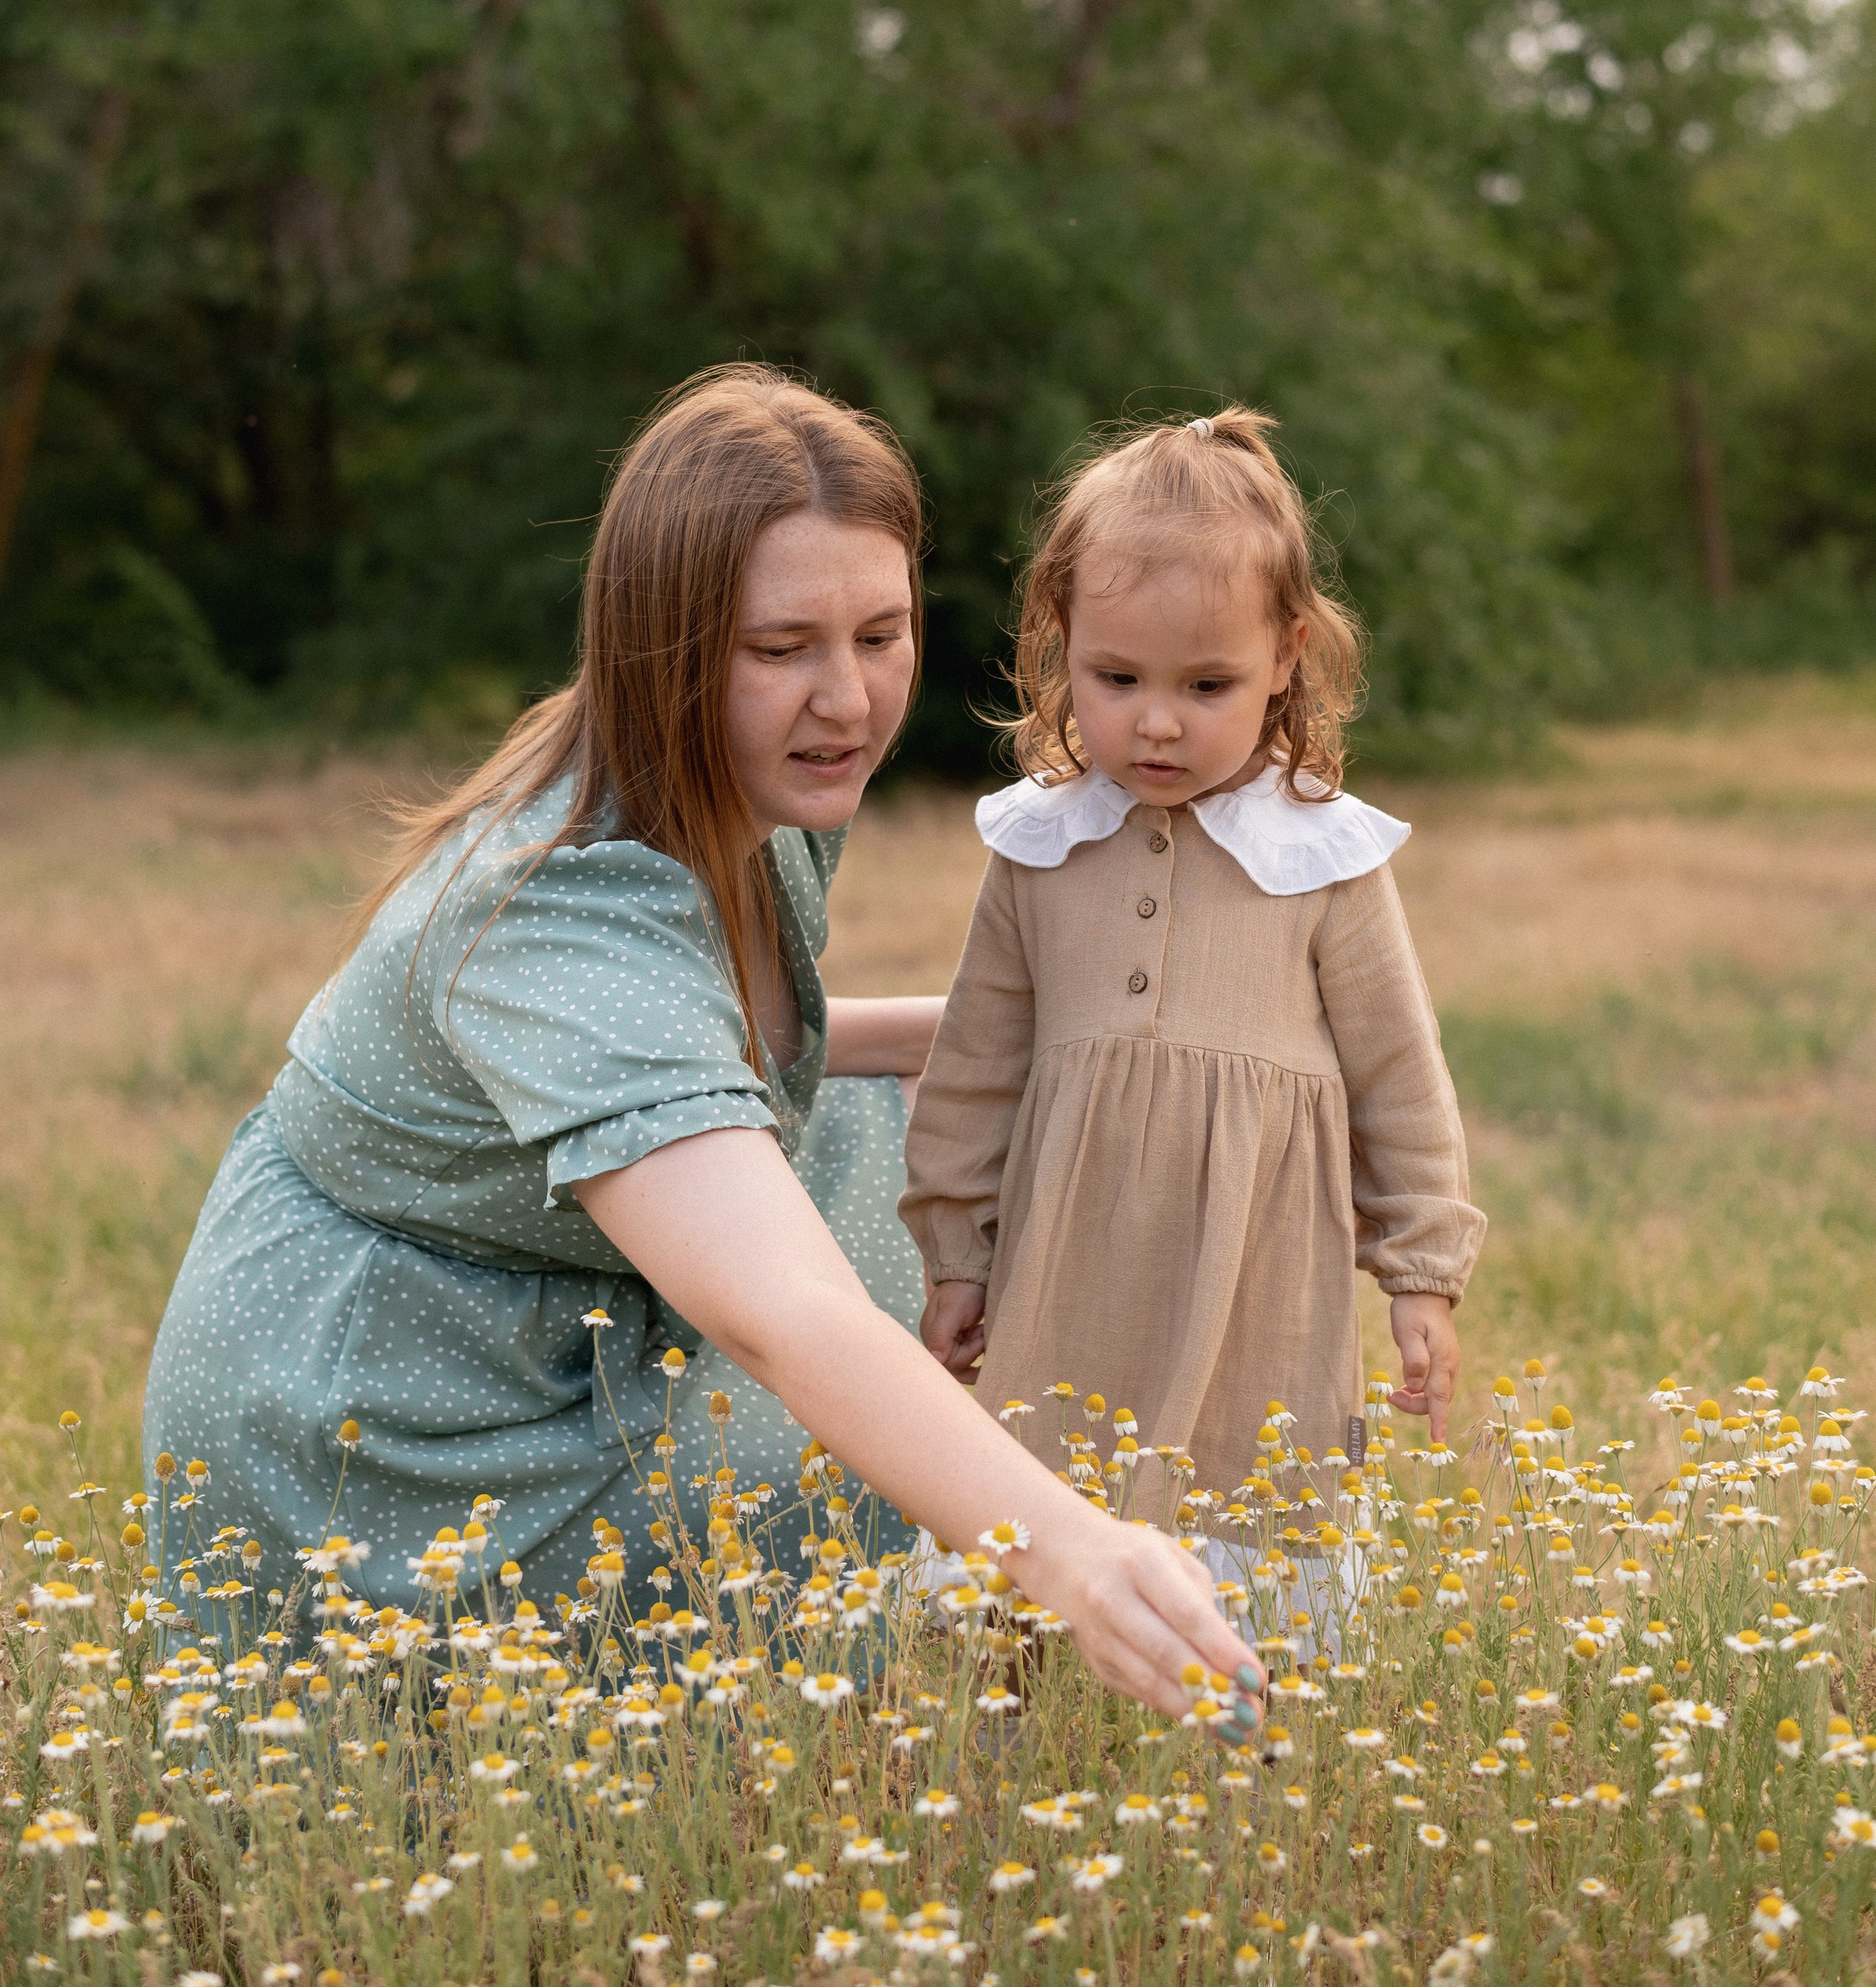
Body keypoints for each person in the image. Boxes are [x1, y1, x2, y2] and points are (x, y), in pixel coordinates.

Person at [144, 366, 1259, 1731]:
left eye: (881, 634)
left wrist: (1078, 1049)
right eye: (780, 647)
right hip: (399, 1422)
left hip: (566, 1299)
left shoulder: (754, 785)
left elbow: (744, 1054)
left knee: (957, 1132)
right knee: (861, 1327)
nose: (846, 699)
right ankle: (1015, 1586)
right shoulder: (564, 904)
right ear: (662, 648)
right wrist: (1069, 1554)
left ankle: (1054, 1550)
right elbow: (775, 1308)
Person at [901, 408, 1486, 1511]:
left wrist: (1421, 1275)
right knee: (1041, 1468)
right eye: (1117, 680)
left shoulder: (1322, 853)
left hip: (1254, 1263)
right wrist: (958, 1257)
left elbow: (1399, 1075)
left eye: (1204, 687)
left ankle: (1231, 1662)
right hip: (1068, 1256)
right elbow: (976, 1065)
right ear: (1061, 639)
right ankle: (1031, 1659)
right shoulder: (1041, 840)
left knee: (1248, 1481)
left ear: (1285, 658)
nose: (1156, 725)